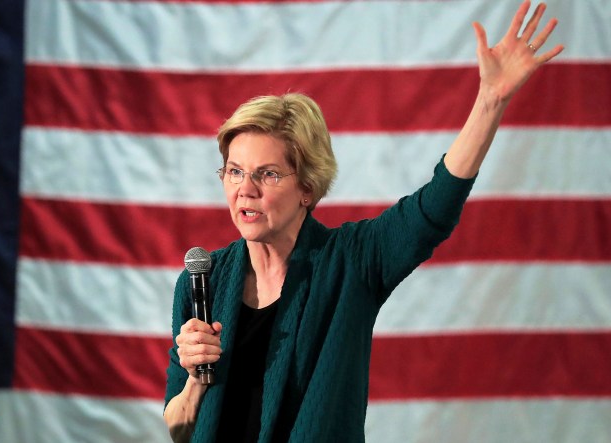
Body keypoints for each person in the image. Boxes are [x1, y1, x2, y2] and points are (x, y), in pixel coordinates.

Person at [163, 1, 563, 442]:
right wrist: (197, 378)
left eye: (268, 174)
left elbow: (432, 210)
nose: (246, 189)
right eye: (235, 171)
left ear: (308, 189)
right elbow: (179, 430)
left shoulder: (352, 262)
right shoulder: (202, 282)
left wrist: (490, 100)